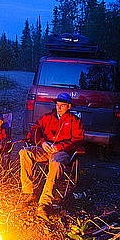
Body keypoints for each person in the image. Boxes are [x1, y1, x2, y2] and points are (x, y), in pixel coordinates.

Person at [19, 93, 84, 221]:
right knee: (24, 152)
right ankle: (28, 192)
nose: (59, 108)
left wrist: (59, 147)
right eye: (57, 105)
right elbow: (35, 129)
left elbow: (78, 140)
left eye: (62, 105)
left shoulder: (75, 121)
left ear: (69, 106)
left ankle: (44, 204)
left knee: (55, 163)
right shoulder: (47, 117)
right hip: (45, 149)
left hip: (61, 153)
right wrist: (42, 142)